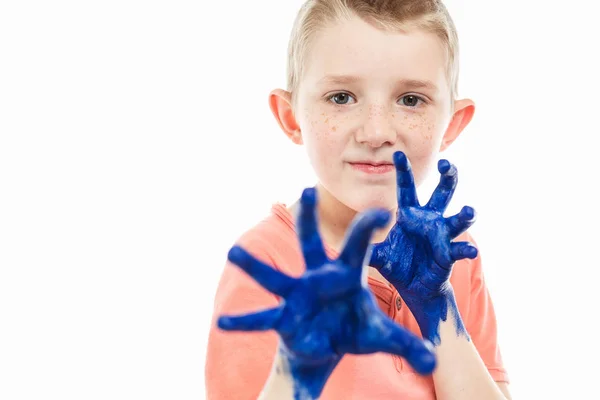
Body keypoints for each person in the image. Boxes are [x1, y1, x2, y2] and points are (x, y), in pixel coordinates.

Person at [205, 1, 511, 399]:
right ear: (291, 116)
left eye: (411, 100)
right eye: (342, 97)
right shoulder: (266, 262)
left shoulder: (454, 259)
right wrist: (298, 365)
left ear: (451, 124)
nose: (376, 132)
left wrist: (438, 310)